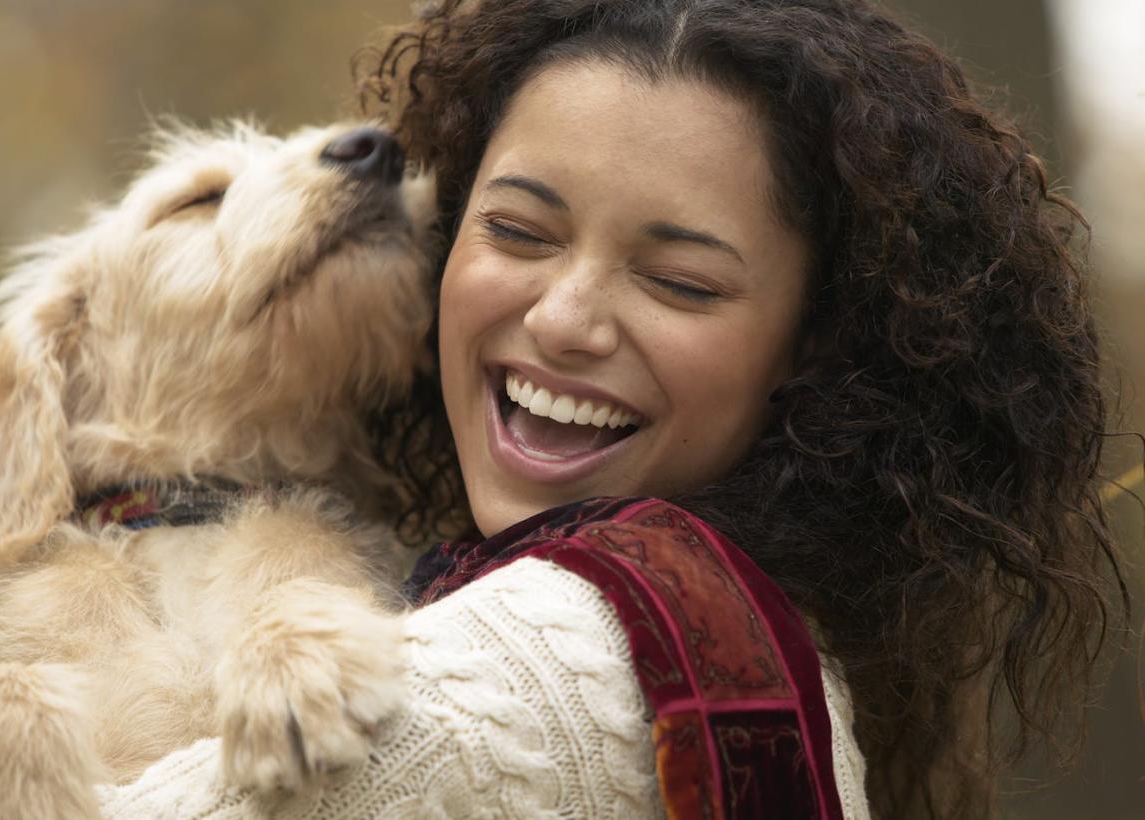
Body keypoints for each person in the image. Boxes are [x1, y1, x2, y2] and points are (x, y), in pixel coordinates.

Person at [99, 0, 1126, 817]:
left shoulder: (526, 671)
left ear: (815, 346)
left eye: (681, 281)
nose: (564, 319)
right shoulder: (765, 638)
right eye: (518, 231)